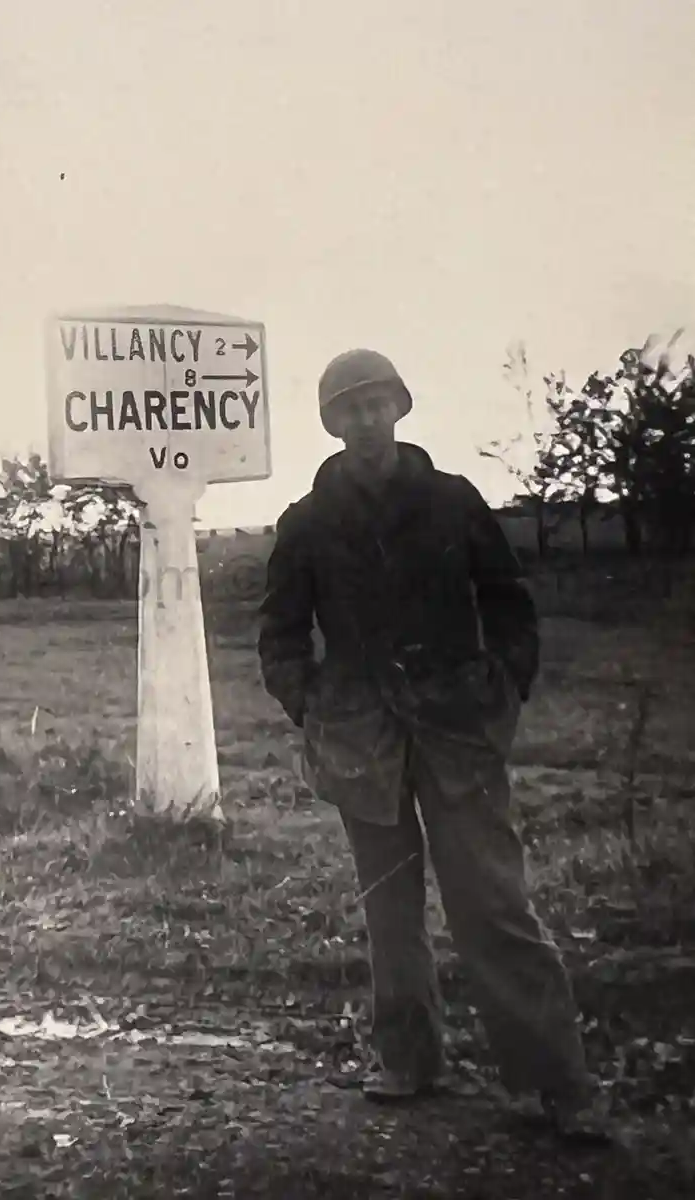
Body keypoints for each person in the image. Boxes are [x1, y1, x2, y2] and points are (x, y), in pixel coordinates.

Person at [257, 348, 609, 1140]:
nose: (365, 419)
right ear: (332, 424)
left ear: (400, 408)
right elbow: (279, 630)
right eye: (349, 409)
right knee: (390, 909)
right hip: (361, 738)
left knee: (492, 902)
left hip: (458, 729)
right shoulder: (307, 523)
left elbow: (508, 602)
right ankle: (408, 1061)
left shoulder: (454, 501)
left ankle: (558, 1082)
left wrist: (503, 686)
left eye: (376, 402)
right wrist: (310, 705)